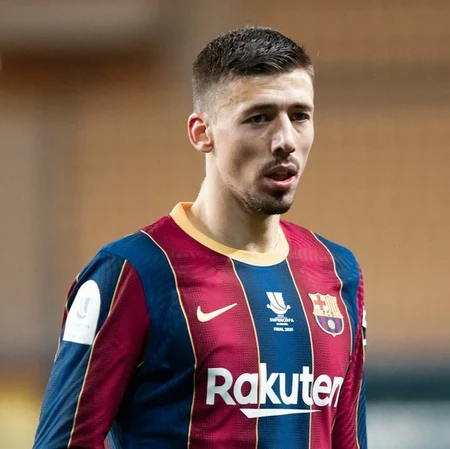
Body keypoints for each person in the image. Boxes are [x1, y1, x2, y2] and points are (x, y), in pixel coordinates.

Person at [33, 26, 367, 449]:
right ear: (201, 132)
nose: (285, 140)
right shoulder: (133, 273)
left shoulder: (338, 271)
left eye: (300, 116)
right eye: (259, 117)